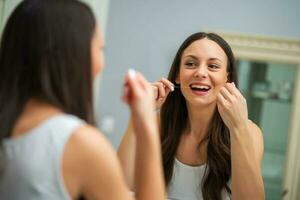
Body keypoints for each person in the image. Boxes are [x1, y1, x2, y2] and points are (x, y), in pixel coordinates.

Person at [0, 0, 165, 199]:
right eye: (100, 49)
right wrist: (145, 124)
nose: (102, 63)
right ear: (74, 55)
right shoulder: (78, 143)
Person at [118, 32, 265, 200]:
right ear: (177, 76)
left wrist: (238, 128)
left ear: (227, 77)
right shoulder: (158, 124)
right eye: (190, 64)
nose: (201, 73)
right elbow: (121, 185)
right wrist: (138, 113)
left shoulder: (248, 132)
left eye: (213, 66)